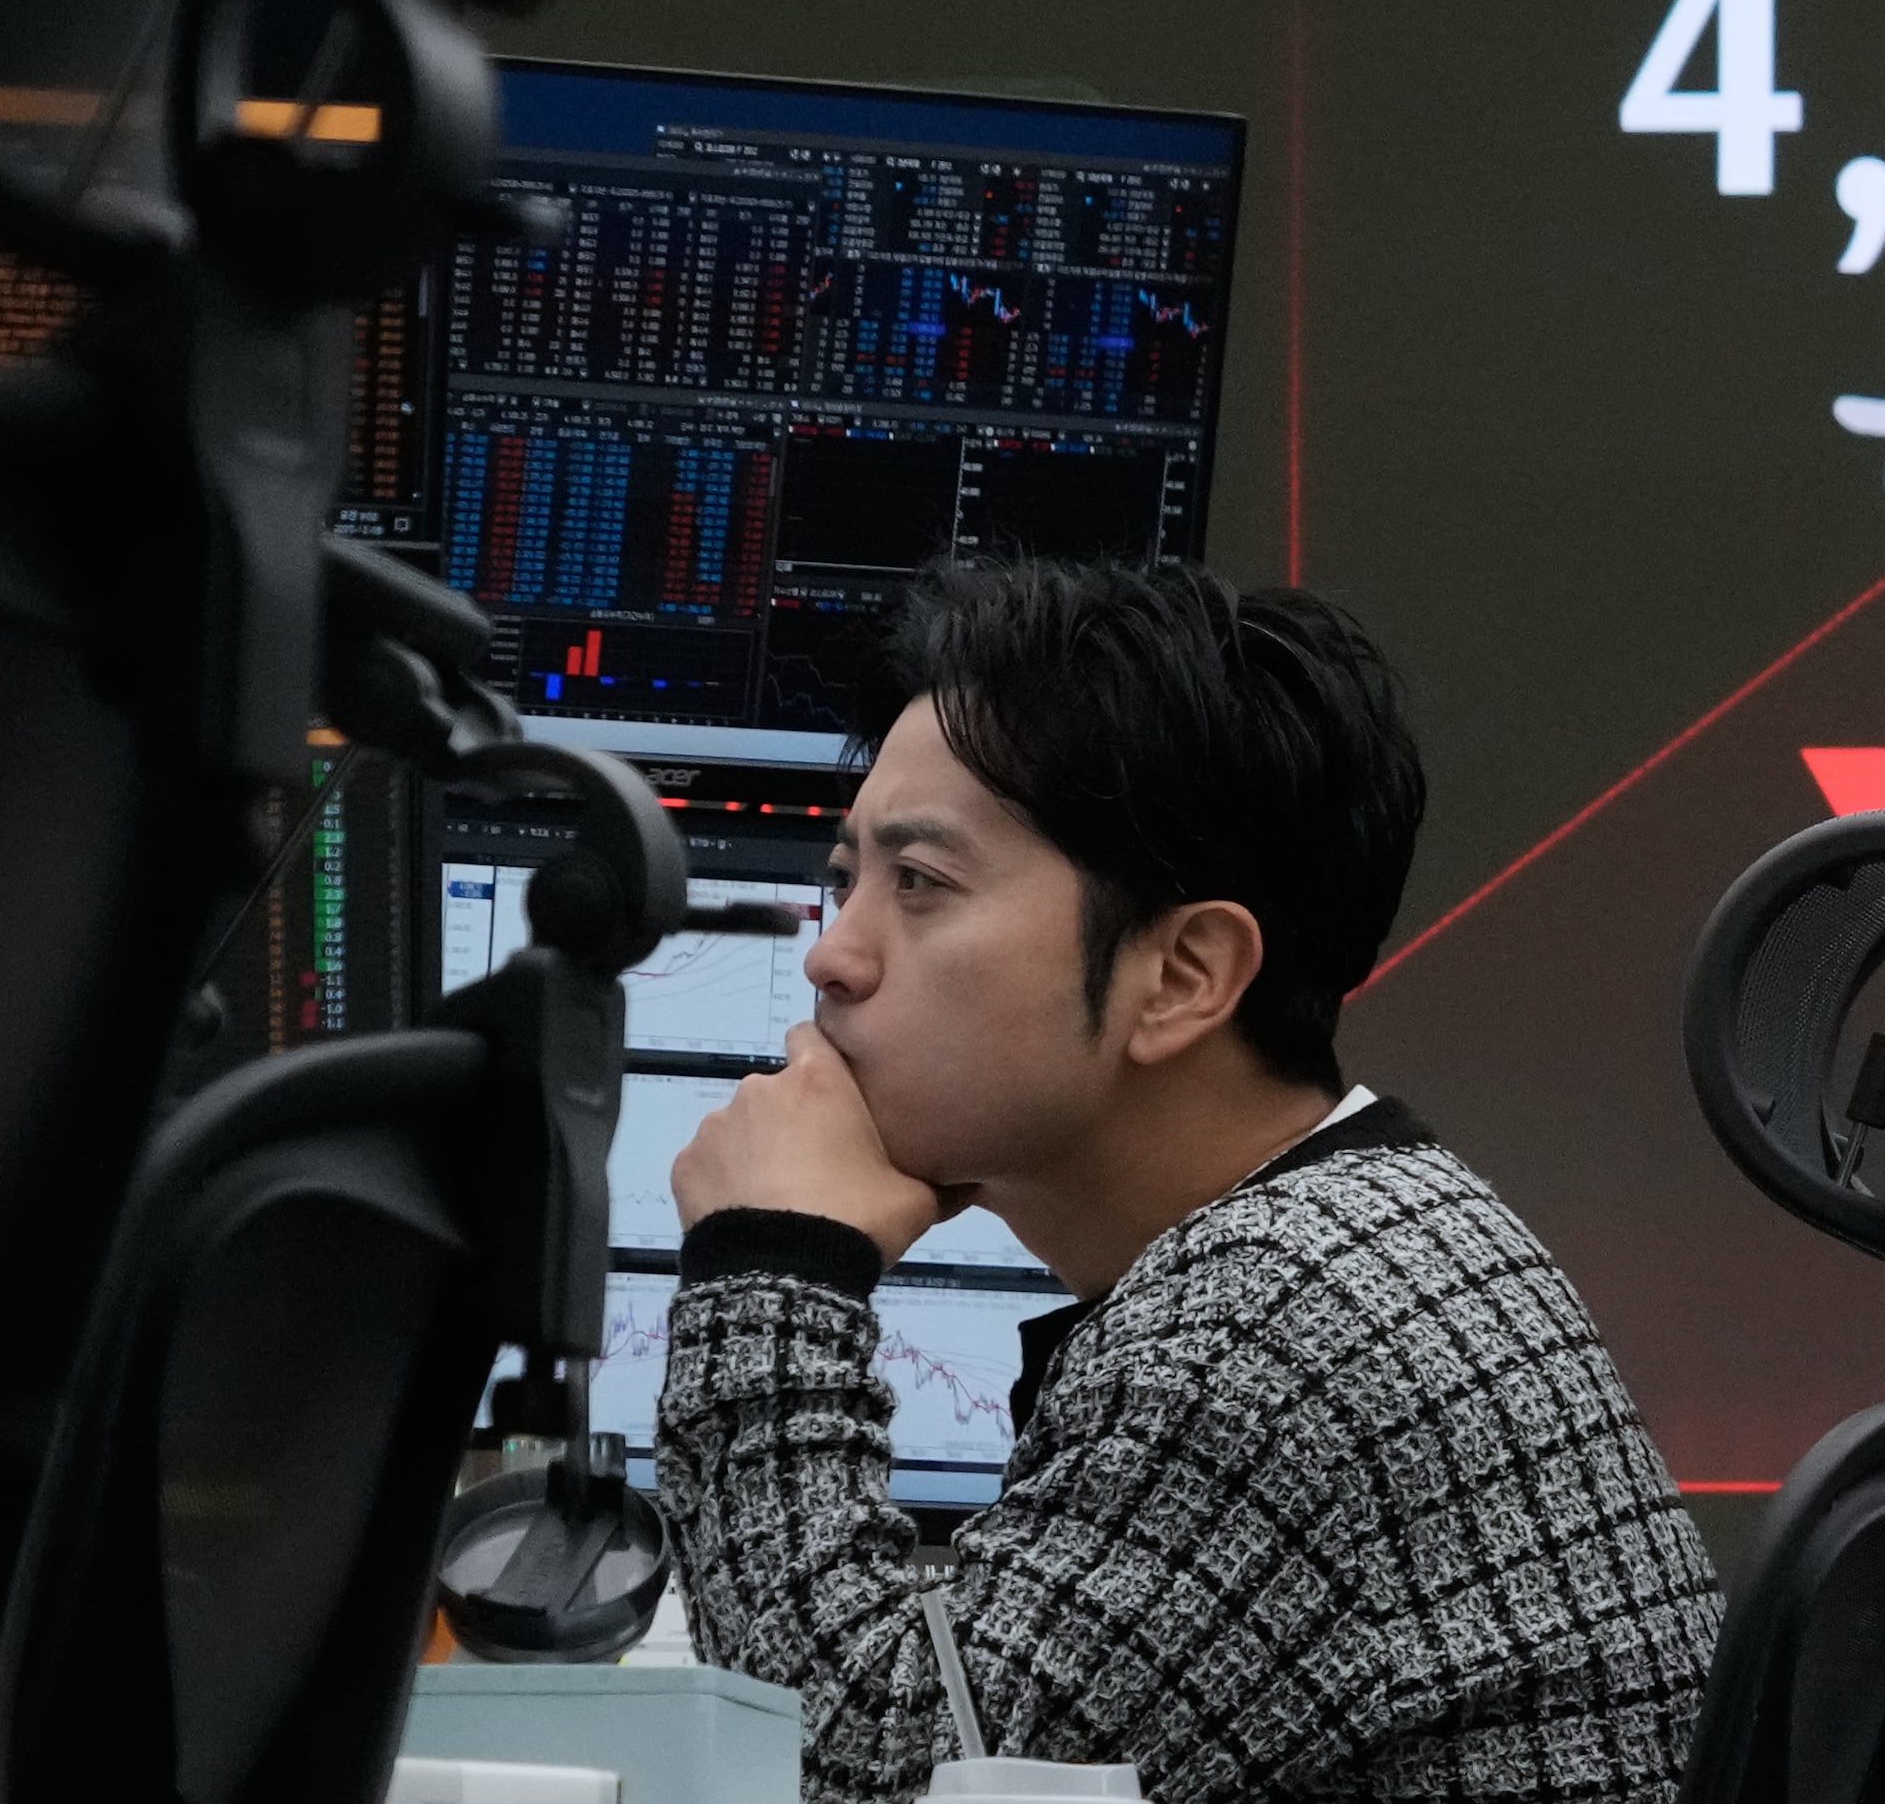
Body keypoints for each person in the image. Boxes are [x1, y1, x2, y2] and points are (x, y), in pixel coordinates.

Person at [649, 559, 1723, 1804]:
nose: (834, 956)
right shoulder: (1339, 1239)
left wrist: (771, 1266)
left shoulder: (1280, 1330)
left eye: (921, 886)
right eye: (848, 880)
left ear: (1182, 976)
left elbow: (865, 1775)